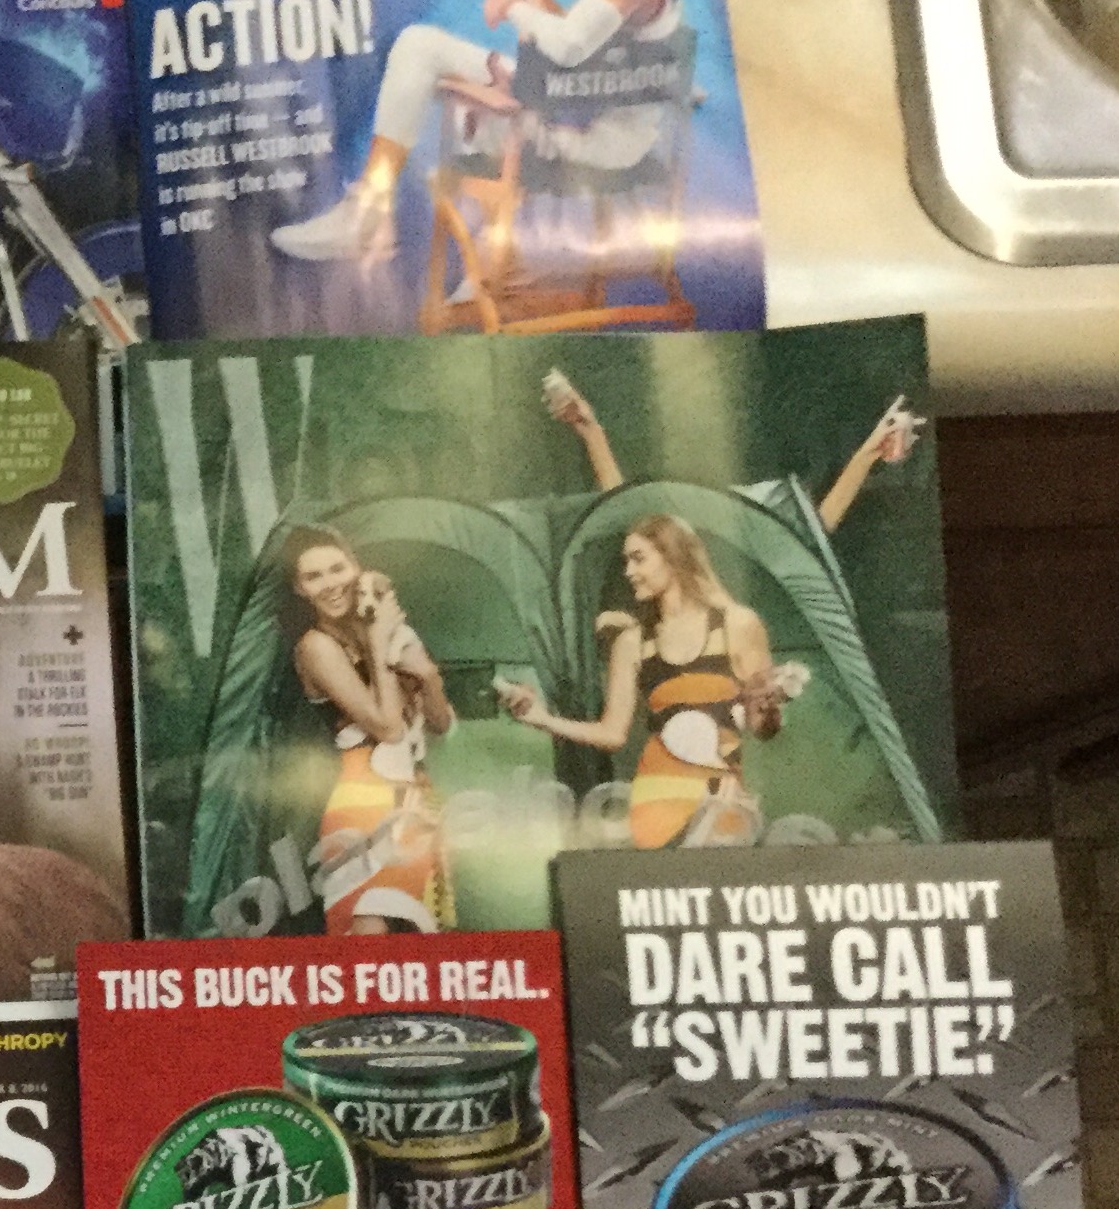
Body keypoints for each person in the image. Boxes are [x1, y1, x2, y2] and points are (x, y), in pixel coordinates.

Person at [493, 375, 920, 846]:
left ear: (672, 557)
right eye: (626, 560)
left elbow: (763, 730)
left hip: (720, 805)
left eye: (638, 559)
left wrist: (767, 705)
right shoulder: (634, 640)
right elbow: (612, 733)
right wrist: (540, 718)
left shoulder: (737, 624)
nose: (629, 571)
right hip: (654, 806)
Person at [271, 0, 681, 265]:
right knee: (437, 63)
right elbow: (573, 37)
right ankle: (489, 254)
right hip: (581, 110)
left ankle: (385, 220)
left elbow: (569, 47)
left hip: (598, 140)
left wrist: (512, 7)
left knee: (432, 60)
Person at [279, 526, 456, 931]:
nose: (330, 584)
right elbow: (388, 729)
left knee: (422, 944)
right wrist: (378, 644)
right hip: (362, 803)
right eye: (313, 577)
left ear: (356, 568)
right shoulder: (315, 646)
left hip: (417, 799)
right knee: (367, 941)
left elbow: (441, 723)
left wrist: (430, 678)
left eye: (337, 569)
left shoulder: (389, 628)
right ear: (300, 589)